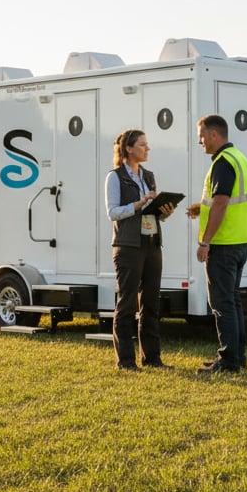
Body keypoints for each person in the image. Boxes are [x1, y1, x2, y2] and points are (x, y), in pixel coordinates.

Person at [186, 114, 247, 375]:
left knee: (222, 303)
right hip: (242, 240)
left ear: (214, 135)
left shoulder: (221, 162)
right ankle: (237, 358)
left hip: (224, 243)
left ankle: (228, 361)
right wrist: (201, 209)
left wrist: (204, 241)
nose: (200, 143)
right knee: (233, 301)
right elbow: (225, 201)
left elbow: (221, 202)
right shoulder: (239, 158)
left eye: (201, 137)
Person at [105, 129, 176, 371]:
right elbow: (113, 212)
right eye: (143, 145)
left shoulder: (149, 176)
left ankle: (152, 359)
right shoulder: (114, 177)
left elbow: (151, 214)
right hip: (128, 247)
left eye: (147, 144)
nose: (148, 149)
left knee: (151, 304)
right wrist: (139, 203)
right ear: (129, 148)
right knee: (127, 304)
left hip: (152, 244)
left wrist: (164, 213)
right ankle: (125, 361)